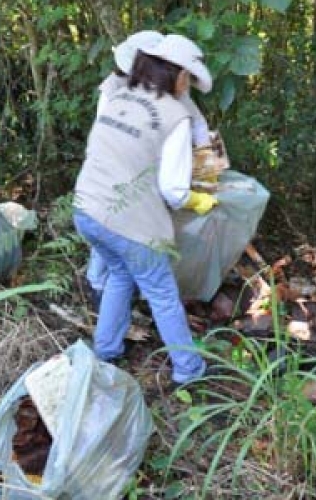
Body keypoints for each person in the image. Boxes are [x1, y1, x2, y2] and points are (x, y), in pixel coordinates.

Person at [73, 34, 217, 384]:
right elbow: (173, 190)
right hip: (128, 224)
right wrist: (199, 199)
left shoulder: (119, 95)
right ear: (176, 74)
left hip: (86, 210)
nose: (189, 85)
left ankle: (105, 350)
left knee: (121, 275)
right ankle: (188, 370)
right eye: (188, 76)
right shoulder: (175, 116)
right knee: (162, 293)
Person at [84, 30, 213, 306]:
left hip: (149, 174)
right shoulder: (113, 91)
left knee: (123, 251)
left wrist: (207, 166)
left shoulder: (171, 91)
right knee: (114, 233)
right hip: (120, 176)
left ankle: (118, 295)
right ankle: (97, 285)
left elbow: (199, 125)